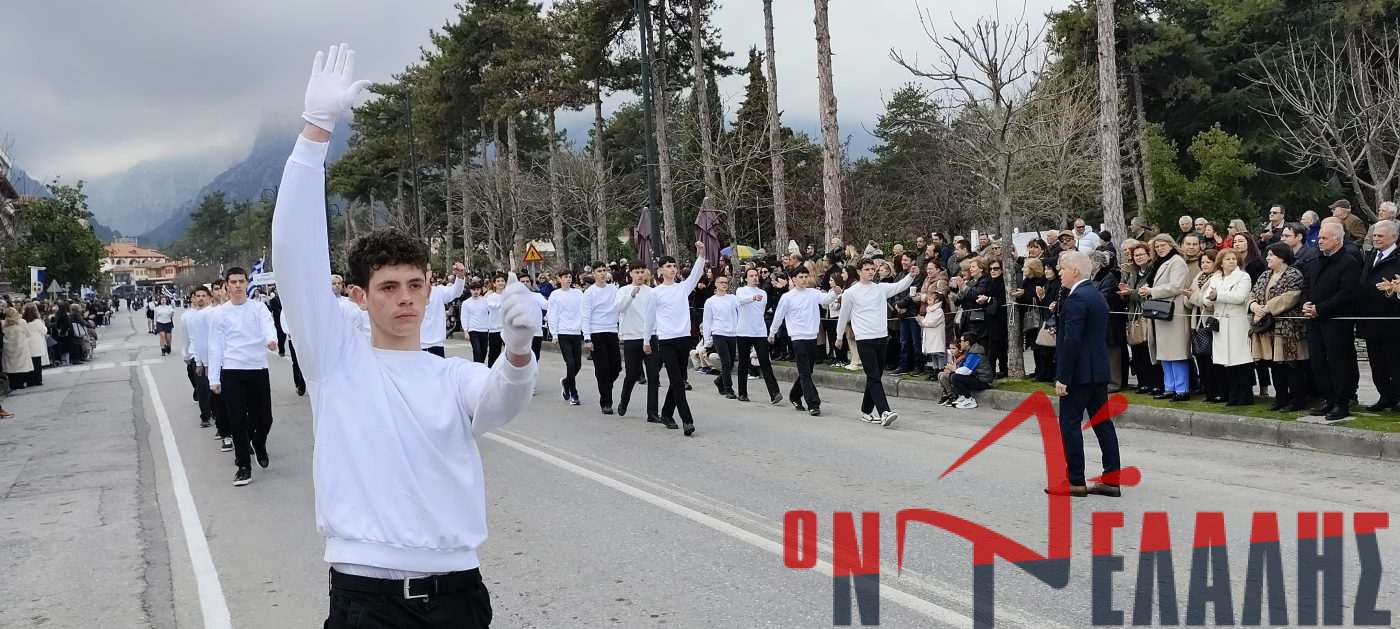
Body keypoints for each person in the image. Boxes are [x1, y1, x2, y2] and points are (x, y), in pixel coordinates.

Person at [274, 45, 540, 628]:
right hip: (366, 595)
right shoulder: (334, 362)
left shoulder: (451, 375)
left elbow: (500, 401)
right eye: (389, 287)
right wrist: (315, 132)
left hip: (457, 593)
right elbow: (294, 254)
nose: (405, 298)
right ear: (360, 296)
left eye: (415, 285)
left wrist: (519, 351)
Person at [1050, 250, 1121, 498]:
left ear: (1075, 270)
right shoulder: (1095, 294)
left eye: (1062, 269)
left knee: (1069, 424)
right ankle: (1112, 479)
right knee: (1103, 424)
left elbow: (1072, 341)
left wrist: (1063, 377)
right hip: (1098, 371)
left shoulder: (1077, 299)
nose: (1059, 273)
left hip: (1079, 374)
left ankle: (1075, 480)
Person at [208, 266, 279, 486]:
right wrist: (214, 378)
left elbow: (268, 326)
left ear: (247, 283)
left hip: (257, 368)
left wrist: (271, 339)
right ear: (227, 286)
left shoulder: (258, 308)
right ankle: (243, 467)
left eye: (241, 281)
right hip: (232, 370)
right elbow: (215, 346)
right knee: (237, 419)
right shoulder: (220, 314)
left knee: (265, 417)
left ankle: (258, 442)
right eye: (233, 282)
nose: (238, 285)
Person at [834, 257, 917, 426]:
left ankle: (866, 410)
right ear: (859, 272)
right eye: (866, 269)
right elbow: (843, 315)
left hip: (881, 337)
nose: (870, 272)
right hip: (864, 339)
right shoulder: (851, 293)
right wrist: (839, 336)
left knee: (875, 376)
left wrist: (911, 275)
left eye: (872, 269)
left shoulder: (881, 288)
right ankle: (884, 411)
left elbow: (899, 286)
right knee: (873, 376)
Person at [1303, 222, 1361, 421]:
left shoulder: (1349, 262)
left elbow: (1347, 293)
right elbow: (1307, 286)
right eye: (1319, 238)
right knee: (1318, 362)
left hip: (1337, 322)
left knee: (1339, 362)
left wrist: (1321, 309)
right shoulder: (1315, 261)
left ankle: (1341, 403)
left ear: (1337, 240)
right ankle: (1328, 399)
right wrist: (1306, 304)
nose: (1319, 241)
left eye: (1324, 238)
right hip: (1315, 321)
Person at [652, 242, 709, 435]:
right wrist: (647, 340)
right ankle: (687, 420)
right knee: (677, 381)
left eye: (674, 266)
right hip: (666, 340)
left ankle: (667, 413)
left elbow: (695, 274)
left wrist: (701, 255)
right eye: (668, 266)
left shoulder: (683, 288)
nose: (672, 269)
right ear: (661, 270)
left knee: (679, 378)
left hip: (683, 339)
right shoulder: (655, 292)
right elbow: (649, 318)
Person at [770, 266, 840, 417]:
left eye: (805, 277)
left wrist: (834, 292)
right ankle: (813, 403)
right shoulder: (787, 297)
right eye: (800, 277)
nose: (803, 280)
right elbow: (778, 316)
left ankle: (795, 395)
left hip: (812, 337)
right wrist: (772, 332)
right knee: (805, 372)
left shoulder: (813, 293)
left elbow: (825, 300)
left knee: (808, 371)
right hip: (797, 337)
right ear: (794, 279)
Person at [1248, 242, 1309, 411]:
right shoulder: (1265, 275)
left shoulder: (1293, 274)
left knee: (1291, 365)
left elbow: (1291, 296)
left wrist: (1266, 309)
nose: (1267, 258)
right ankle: (1280, 398)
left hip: (1288, 329)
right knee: (1275, 365)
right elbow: (1253, 293)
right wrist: (1254, 306)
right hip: (1267, 328)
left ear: (1282, 257)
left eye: (1271, 255)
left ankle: (1297, 400)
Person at [1139, 234, 1191, 401]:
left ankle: (1181, 389)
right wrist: (1147, 289)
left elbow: (1176, 286)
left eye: (1162, 245)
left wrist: (1152, 291)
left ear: (1171, 245)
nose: (1159, 249)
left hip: (1174, 312)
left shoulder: (1177, 262)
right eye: (1157, 246)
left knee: (1176, 352)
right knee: (1164, 352)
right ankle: (1169, 387)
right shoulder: (1159, 263)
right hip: (1161, 312)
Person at [1203, 249, 1254, 405]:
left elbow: (1239, 297)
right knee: (1226, 361)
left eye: (1234, 259)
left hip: (1237, 323)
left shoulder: (1243, 277)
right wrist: (1211, 298)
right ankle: (1232, 395)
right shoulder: (1216, 277)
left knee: (1241, 360)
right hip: (1221, 323)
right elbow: (1206, 299)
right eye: (1228, 259)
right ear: (1221, 262)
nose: (1231, 261)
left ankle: (1245, 396)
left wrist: (1218, 295)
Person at [1358, 220, 1400, 411]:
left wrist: (1394, 289)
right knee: (1377, 363)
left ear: (1394, 237)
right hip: (1370, 319)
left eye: (1380, 236)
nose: (1376, 239)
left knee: (1395, 362)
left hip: (1392, 322)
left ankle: (1397, 397)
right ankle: (1385, 395)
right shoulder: (1371, 256)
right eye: (1374, 235)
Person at [615, 263, 660, 419]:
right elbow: (619, 308)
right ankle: (624, 401)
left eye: (642, 272)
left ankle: (652, 413)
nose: (640, 275)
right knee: (632, 375)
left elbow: (654, 314)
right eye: (637, 272)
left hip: (650, 337)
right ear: (631, 274)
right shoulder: (623, 290)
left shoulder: (651, 292)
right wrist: (631, 295)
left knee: (653, 376)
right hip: (631, 338)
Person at [735, 267, 781, 405]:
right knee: (743, 363)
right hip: (744, 331)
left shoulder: (763, 293)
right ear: (746, 278)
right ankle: (742, 393)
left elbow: (761, 309)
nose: (755, 277)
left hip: (759, 331)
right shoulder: (741, 290)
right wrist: (752, 298)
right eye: (751, 275)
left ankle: (774, 393)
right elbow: (740, 301)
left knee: (765, 362)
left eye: (756, 275)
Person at [582, 264, 621, 414]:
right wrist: (587, 338)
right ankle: (606, 402)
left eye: (604, 271)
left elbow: (620, 308)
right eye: (599, 271)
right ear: (593, 274)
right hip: (596, 332)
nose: (603, 273)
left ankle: (605, 386)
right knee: (602, 368)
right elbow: (585, 315)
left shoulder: (614, 289)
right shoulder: (589, 293)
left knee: (616, 367)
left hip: (612, 331)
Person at [546, 269, 584, 406]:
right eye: (565, 277)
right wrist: (554, 334)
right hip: (563, 332)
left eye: (570, 277)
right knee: (570, 363)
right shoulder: (555, 295)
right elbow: (552, 314)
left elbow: (583, 312)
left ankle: (566, 382)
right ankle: (574, 394)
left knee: (578, 365)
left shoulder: (578, 293)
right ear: (559, 279)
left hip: (576, 332)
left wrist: (585, 331)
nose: (568, 279)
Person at [701, 274, 740, 399]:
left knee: (731, 363)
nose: (724, 284)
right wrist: (707, 339)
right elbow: (707, 321)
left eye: (726, 282)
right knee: (725, 362)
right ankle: (729, 389)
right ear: (716, 284)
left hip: (732, 333)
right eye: (721, 282)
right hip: (718, 333)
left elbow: (742, 306)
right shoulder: (710, 301)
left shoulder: (733, 298)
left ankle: (719, 380)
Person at [421, 262, 466, 357]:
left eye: (428, 270)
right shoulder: (409, 294)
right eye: (423, 270)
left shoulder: (439, 291)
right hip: (416, 345)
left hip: (437, 344)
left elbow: (456, 292)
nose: (426, 273)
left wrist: (460, 276)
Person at [3, 308, 34, 390]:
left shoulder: (4, 326)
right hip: (20, 347)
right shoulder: (21, 323)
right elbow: (28, 334)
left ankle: (12, 385)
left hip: (8, 348)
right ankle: (20, 383)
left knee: (11, 367)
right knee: (20, 366)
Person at [461, 281, 491, 363]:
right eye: (473, 290)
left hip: (484, 329)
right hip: (473, 330)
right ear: (470, 290)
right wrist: (465, 331)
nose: (476, 291)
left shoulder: (486, 301)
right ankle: (477, 367)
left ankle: (479, 365)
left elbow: (492, 312)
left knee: (484, 351)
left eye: (478, 289)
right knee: (477, 351)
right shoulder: (466, 303)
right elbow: (464, 317)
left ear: (481, 290)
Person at [22, 304, 48, 388]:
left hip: (27, 344)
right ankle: (38, 380)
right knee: (37, 363)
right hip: (36, 344)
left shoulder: (23, 321)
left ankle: (30, 381)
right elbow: (44, 331)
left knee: (29, 364)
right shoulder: (37, 321)